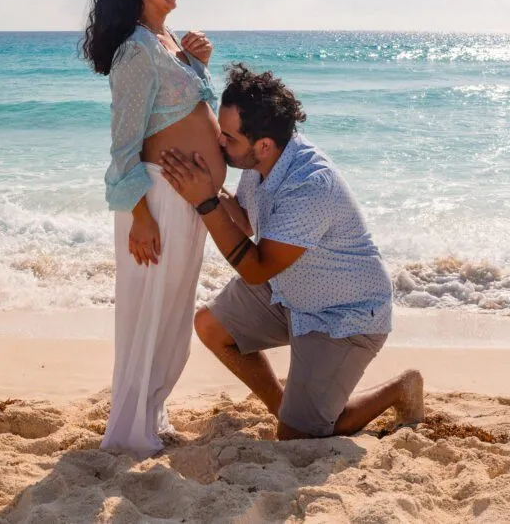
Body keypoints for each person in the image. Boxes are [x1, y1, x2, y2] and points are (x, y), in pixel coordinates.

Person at [159, 64, 424, 440]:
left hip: (343, 316)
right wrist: (206, 185)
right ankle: (289, 410)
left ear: (263, 144)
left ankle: (399, 388)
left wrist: (205, 203)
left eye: (229, 139)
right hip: (290, 291)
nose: (222, 144)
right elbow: (247, 220)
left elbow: (257, 269)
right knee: (211, 326)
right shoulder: (263, 159)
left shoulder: (311, 186)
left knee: (299, 437)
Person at [81, 0, 226, 458]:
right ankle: (128, 432)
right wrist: (140, 214)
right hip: (157, 201)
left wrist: (198, 62)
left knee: (170, 313)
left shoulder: (166, 44)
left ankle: (151, 414)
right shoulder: (136, 52)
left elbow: (183, 111)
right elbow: (123, 146)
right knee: (147, 314)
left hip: (186, 199)